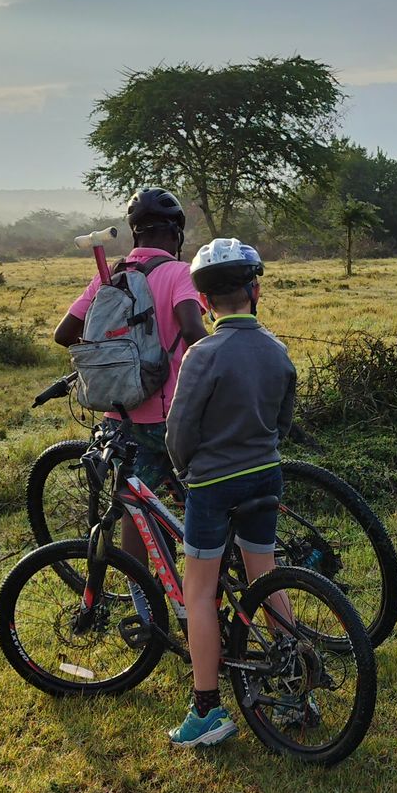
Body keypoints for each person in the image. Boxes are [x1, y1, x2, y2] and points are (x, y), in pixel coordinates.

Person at [161, 238, 297, 747]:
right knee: (266, 575)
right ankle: (292, 681)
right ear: (255, 290)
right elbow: (283, 420)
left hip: (213, 485)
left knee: (199, 592)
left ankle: (207, 709)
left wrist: (182, 472)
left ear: (205, 304)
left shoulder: (203, 353)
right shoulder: (277, 350)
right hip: (267, 474)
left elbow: (180, 429)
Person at [54, 187, 207, 559]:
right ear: (176, 233)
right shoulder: (179, 273)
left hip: (119, 416)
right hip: (174, 415)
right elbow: (193, 331)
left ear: (135, 232)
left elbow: (64, 335)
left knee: (135, 509)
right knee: (203, 501)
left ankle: (144, 599)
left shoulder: (110, 277)